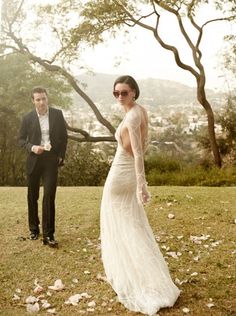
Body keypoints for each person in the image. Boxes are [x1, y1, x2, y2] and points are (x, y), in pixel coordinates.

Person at [100, 75, 180, 315]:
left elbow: (138, 152)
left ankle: (138, 278)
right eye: (116, 93)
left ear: (134, 91)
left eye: (124, 92)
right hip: (125, 174)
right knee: (131, 225)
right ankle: (141, 275)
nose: (120, 97)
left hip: (121, 175)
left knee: (124, 226)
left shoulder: (133, 115)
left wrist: (141, 184)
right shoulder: (139, 111)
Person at [18, 87, 68, 248]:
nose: (41, 102)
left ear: (47, 99)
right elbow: (20, 140)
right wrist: (32, 147)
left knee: (49, 196)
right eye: (38, 99)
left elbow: (64, 137)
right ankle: (34, 229)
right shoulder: (27, 118)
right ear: (33, 101)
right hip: (34, 159)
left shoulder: (57, 114)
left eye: (43, 99)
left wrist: (60, 155)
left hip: (50, 160)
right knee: (33, 196)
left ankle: (49, 234)